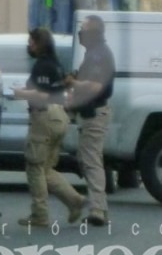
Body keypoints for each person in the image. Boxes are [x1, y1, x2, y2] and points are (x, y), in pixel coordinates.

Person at [14, 28, 87, 227]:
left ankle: (40, 214)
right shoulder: (56, 65)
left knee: (35, 167)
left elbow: (42, 95)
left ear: (41, 44)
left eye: (32, 42)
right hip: (59, 116)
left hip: (44, 117)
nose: (29, 45)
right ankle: (74, 200)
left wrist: (20, 93)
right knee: (46, 169)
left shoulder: (41, 66)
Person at [65, 14, 116, 226]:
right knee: (88, 160)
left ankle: (97, 209)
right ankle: (99, 207)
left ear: (93, 34)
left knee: (92, 162)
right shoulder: (96, 54)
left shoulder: (98, 56)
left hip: (94, 113)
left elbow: (94, 87)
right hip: (91, 112)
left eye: (84, 31)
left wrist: (73, 83)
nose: (80, 35)